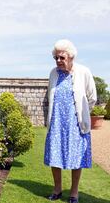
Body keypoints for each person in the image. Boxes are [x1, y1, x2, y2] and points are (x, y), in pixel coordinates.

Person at [44, 39, 97, 203]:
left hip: (76, 124)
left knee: (76, 158)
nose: (58, 61)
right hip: (57, 123)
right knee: (55, 156)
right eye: (56, 58)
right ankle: (57, 189)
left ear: (71, 57)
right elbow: (50, 96)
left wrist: (81, 114)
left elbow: (92, 97)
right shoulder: (53, 73)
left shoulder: (84, 72)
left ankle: (74, 192)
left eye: (62, 57)